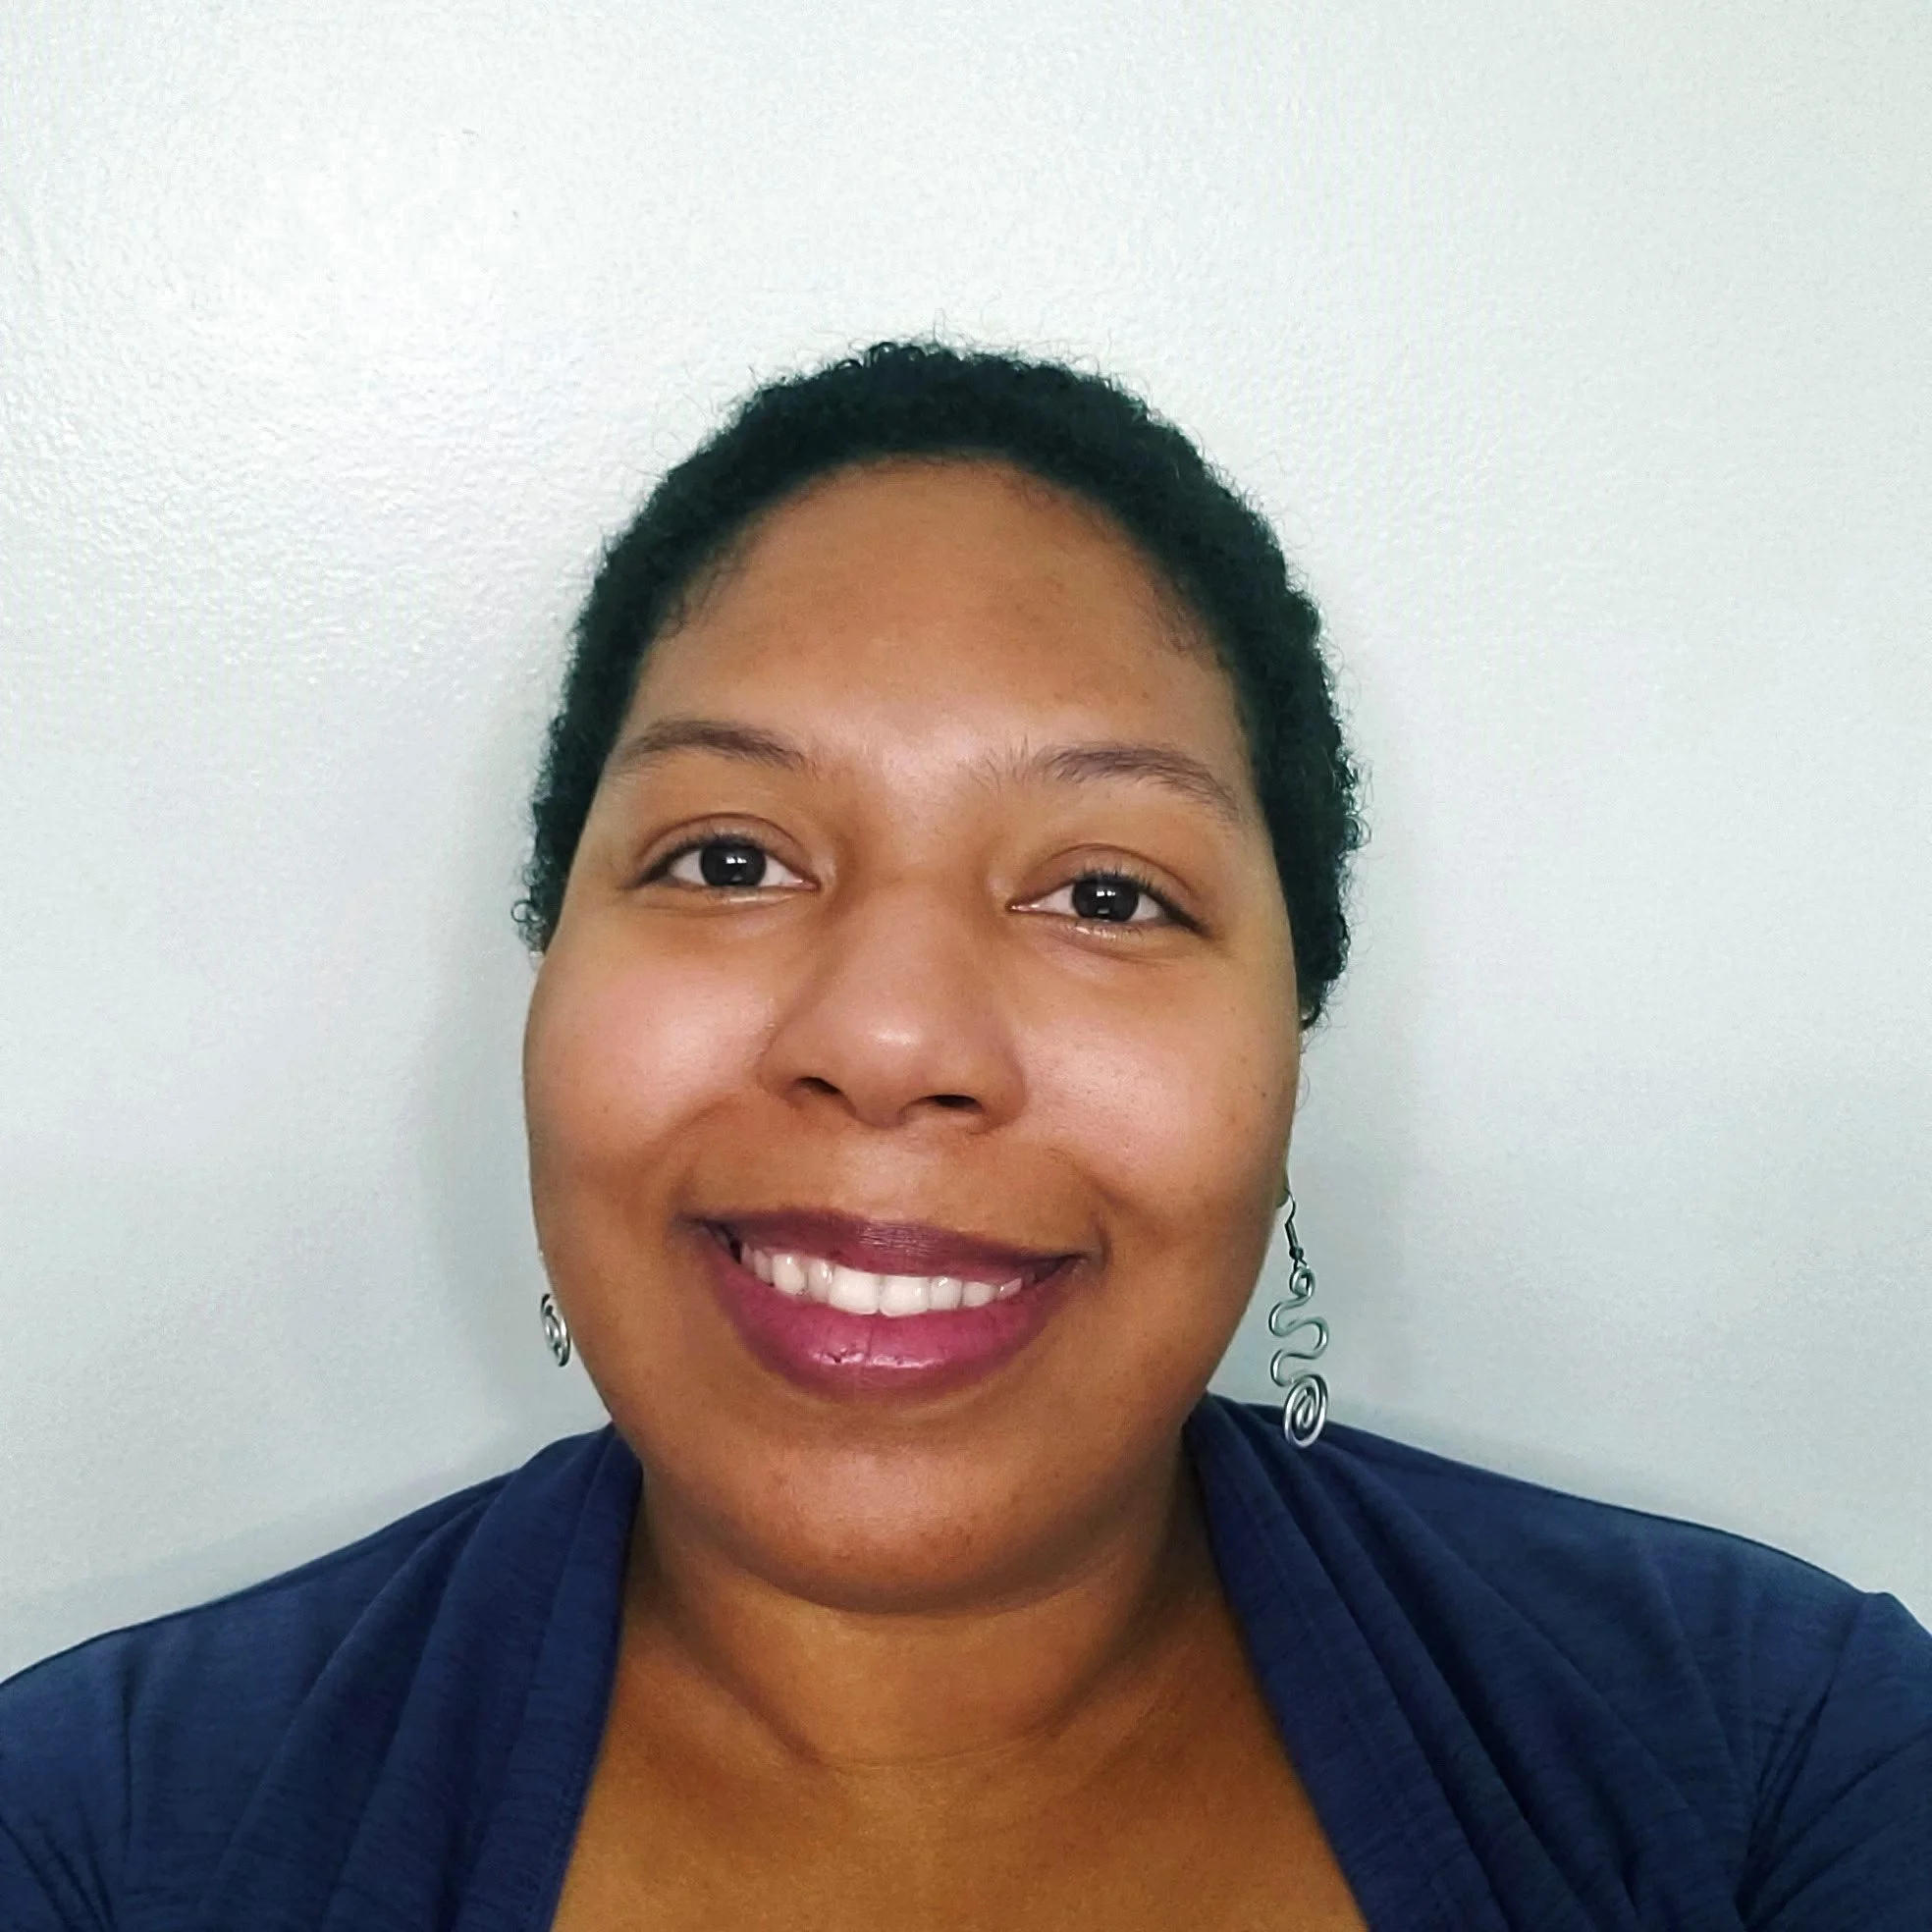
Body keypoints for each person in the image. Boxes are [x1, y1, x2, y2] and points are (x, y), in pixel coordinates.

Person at [1, 342, 1926, 1930]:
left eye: (1107, 895)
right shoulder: (91, 1842)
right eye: (729, 857)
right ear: (546, 966)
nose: (890, 1040)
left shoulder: (1777, 1767)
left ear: (1293, 1045)